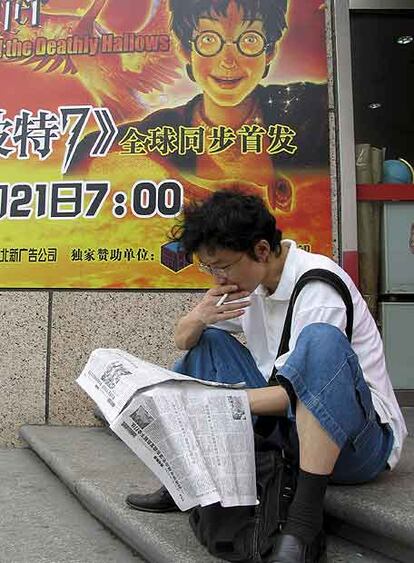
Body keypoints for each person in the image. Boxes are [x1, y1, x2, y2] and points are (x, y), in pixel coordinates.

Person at [126, 190, 407, 563]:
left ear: (261, 251)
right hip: (289, 431)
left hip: (357, 443)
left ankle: (302, 525)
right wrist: (200, 315)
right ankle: (185, 480)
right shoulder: (252, 285)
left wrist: (209, 402)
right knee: (208, 341)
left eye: (223, 266)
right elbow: (183, 339)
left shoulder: (318, 288)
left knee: (321, 342)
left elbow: (304, 395)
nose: (219, 276)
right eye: (210, 268)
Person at [69, 0, 328, 212]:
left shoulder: (303, 110)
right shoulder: (167, 130)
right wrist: (185, 185)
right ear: (184, 50)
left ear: (269, 52)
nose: (228, 60)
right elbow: (88, 157)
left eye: (249, 40)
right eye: (208, 40)